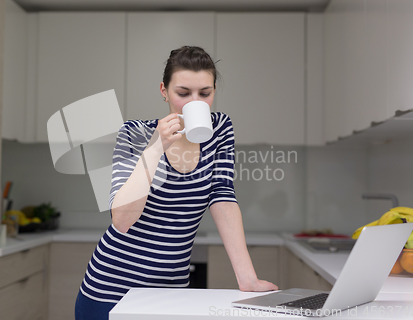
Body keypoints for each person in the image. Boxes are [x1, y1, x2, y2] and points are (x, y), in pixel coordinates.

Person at [74, 46, 278, 320]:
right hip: (112, 291)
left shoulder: (220, 129)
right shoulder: (134, 134)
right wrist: (156, 147)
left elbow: (222, 197)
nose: (195, 102)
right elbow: (121, 220)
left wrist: (248, 279)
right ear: (164, 91)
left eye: (205, 94)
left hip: (172, 292)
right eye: (183, 93)